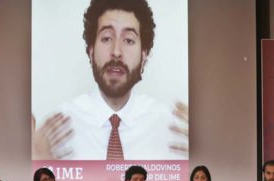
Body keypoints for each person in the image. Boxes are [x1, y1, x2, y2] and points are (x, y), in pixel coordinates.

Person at [32, 0, 189, 160]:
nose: (116, 51)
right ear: (91, 50)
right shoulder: (56, 132)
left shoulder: (172, 130)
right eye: (107, 38)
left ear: (143, 55)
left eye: (128, 40)